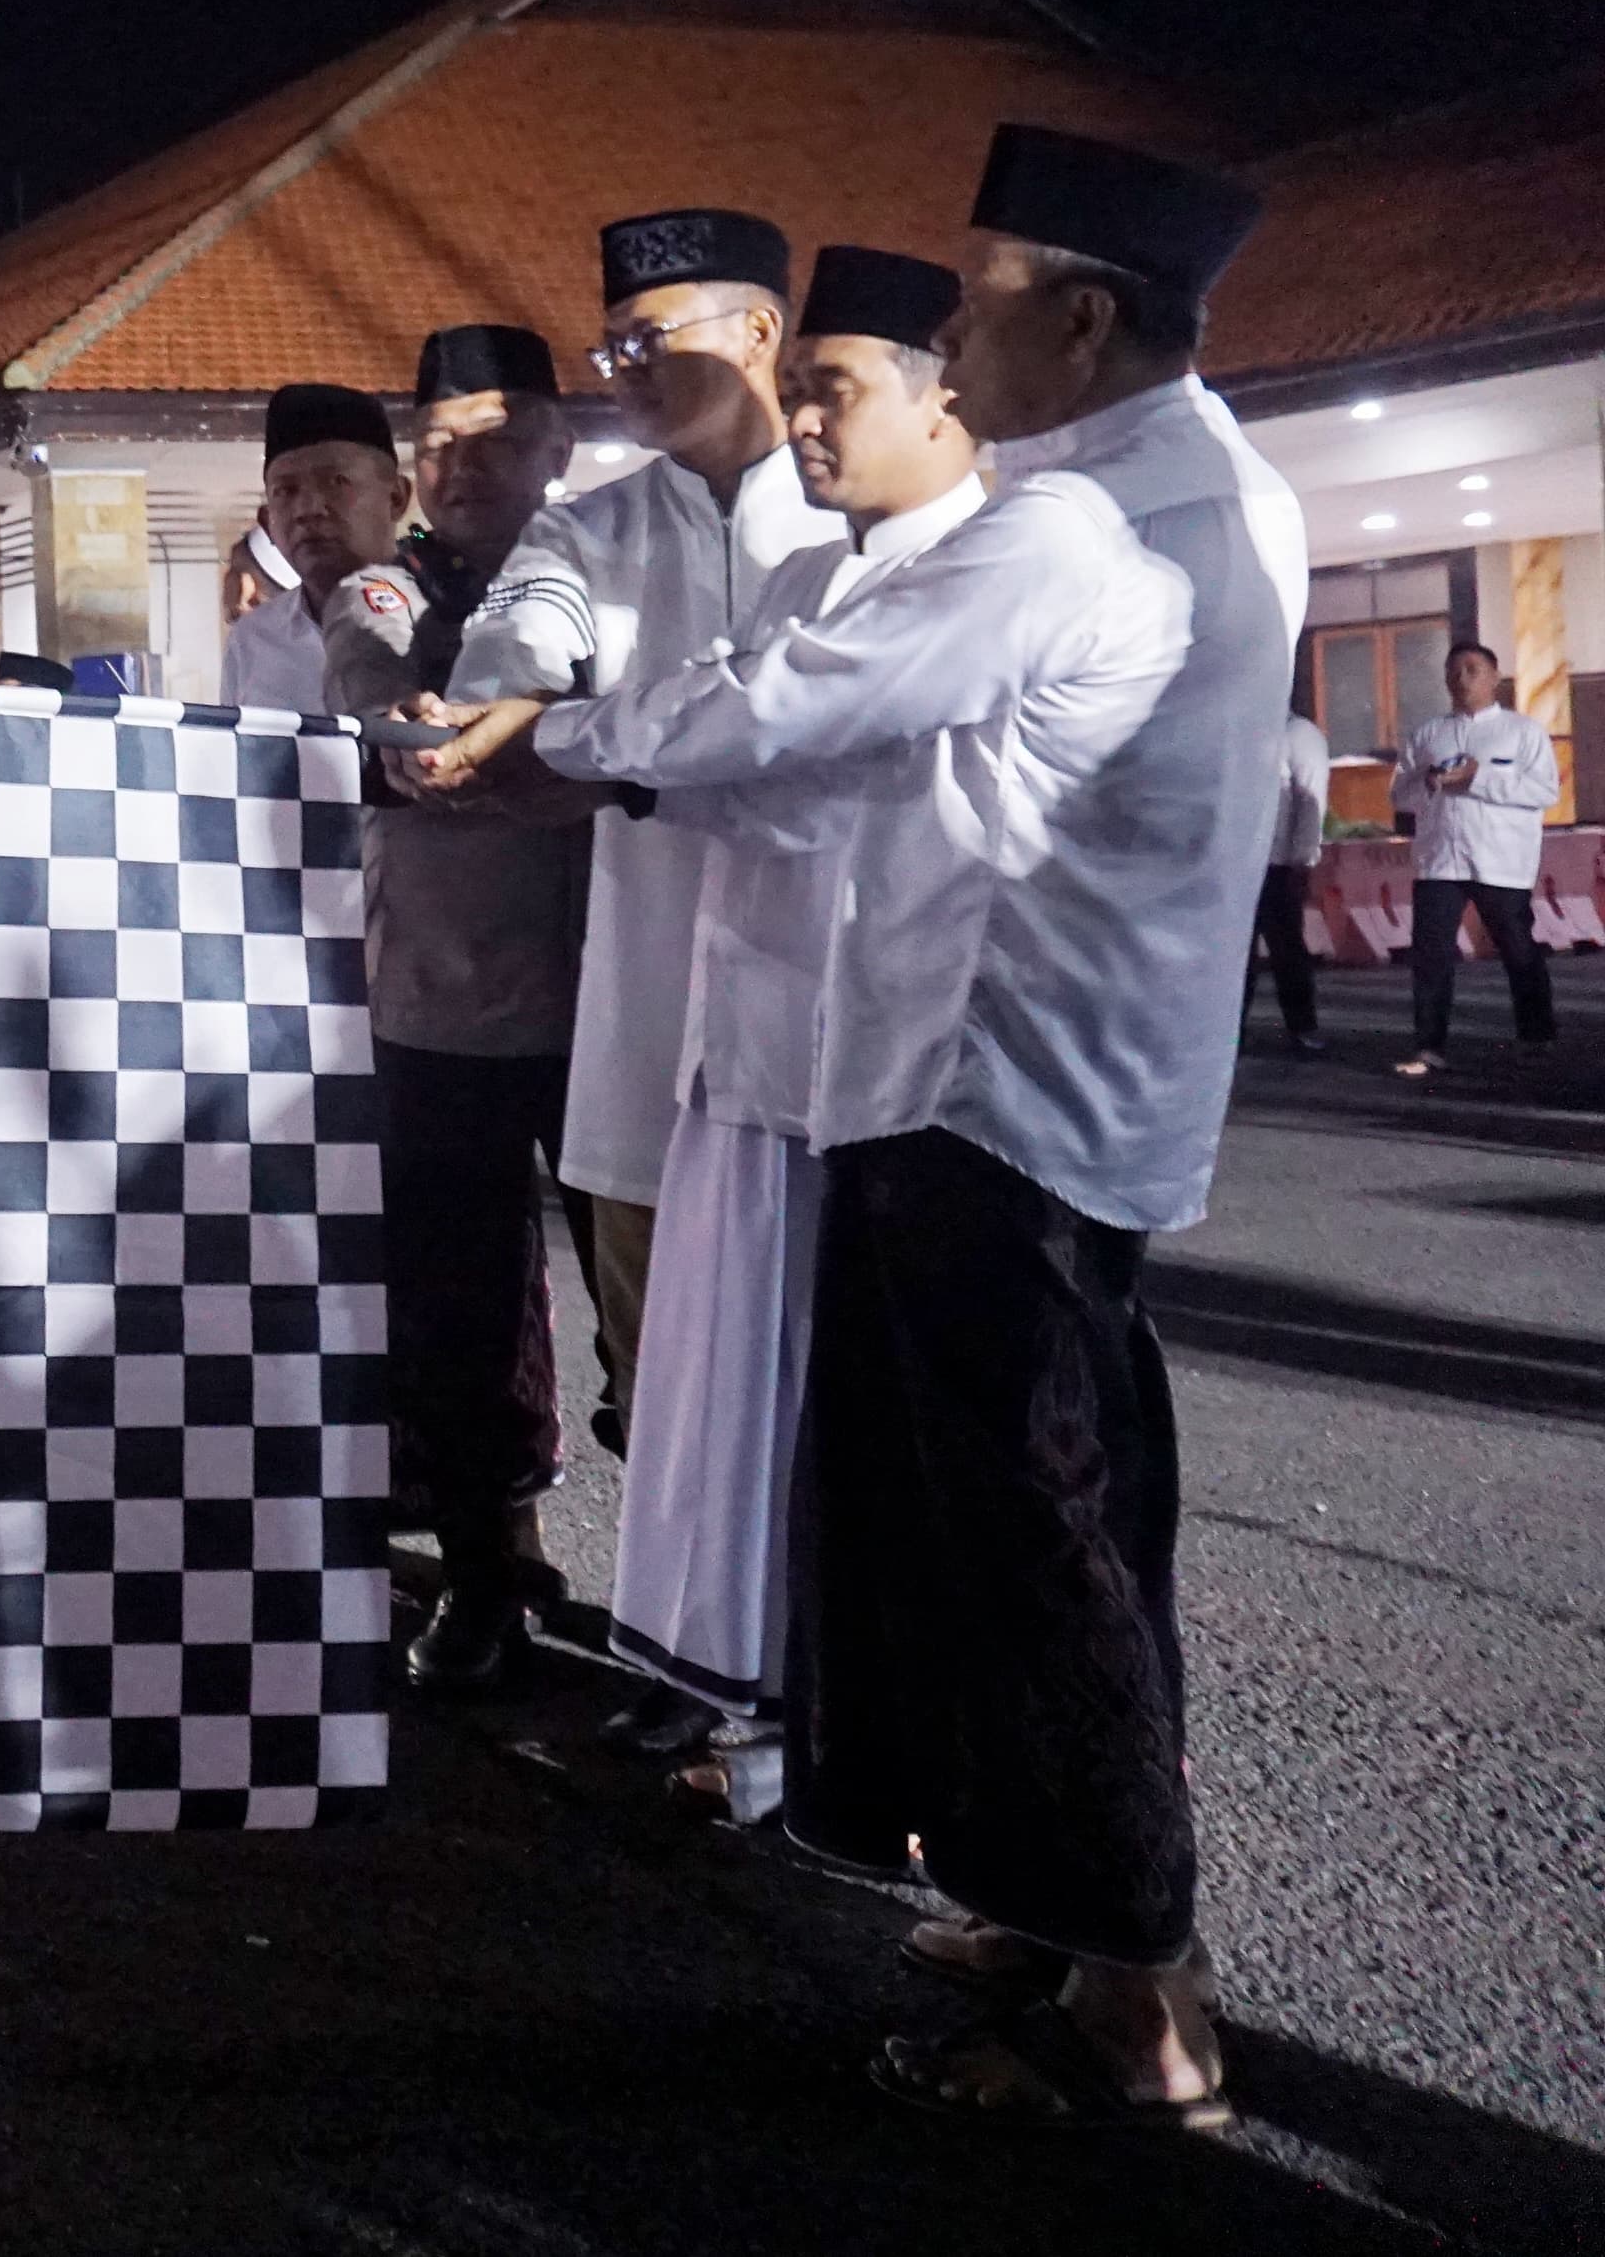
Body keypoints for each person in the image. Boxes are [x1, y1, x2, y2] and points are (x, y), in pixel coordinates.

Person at [422, 124, 1295, 2130]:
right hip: (1022, 1087)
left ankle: (1136, 2002)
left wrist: (552, 752)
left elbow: (793, 705)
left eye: (973, 293)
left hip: (991, 1094)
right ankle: (1047, 1910)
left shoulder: (1073, 523)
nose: (936, 319)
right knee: (1004, 1532)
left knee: (1034, 1547)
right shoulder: (1204, 484)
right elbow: (862, 752)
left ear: (1077, 319)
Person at [601, 246, 979, 1816]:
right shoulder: (827, 572)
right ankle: (753, 1721)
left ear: (944, 397)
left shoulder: (985, 566)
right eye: (803, 389)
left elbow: (749, 733)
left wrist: (555, 740)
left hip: (887, 1074)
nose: (806, 420)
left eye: (836, 388)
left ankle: (860, 1745)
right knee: (734, 1412)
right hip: (748, 1046)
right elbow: (721, 741)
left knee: (867, 1432)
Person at [435, 210, 843, 1473]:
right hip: (644, 1036)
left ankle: (821, 1672)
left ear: (758, 332)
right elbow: (503, 675)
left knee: (842, 1410)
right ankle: (679, 1666)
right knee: (665, 1405)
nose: (626, 374)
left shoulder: (858, 526)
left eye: (646, 341)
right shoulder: (586, 534)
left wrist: (591, 747)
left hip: (840, 1040)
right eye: (609, 352)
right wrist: (509, 723)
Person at [317, 327, 588, 1693]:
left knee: (670, 1330)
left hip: (623, 1022)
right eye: (435, 445)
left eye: (491, 439)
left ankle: (698, 1618)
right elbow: (378, 708)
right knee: (457, 1321)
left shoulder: (618, 575)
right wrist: (454, 738)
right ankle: (487, 1575)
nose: (459, 466)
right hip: (435, 1019)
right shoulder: (376, 591)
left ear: (558, 445)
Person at [1391, 641, 1559, 1076]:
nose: (1462, 679)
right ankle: (1429, 1046)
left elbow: (1545, 792)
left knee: (1517, 949)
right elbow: (1400, 795)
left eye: (1472, 670)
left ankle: (1536, 1035)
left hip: (1500, 860)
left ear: (1494, 677)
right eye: (1454, 671)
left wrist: (1479, 778)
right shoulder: (1428, 734)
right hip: (1440, 860)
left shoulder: (1523, 732)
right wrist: (1429, 783)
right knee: (1430, 954)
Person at [222, 386, 411, 715]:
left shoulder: (447, 623)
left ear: (396, 497)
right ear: (268, 521)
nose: (308, 509)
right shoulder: (252, 640)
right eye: (286, 490)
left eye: (337, 481)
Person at [1254, 709, 1331, 1053]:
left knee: (1287, 949)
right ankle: (1228, 1033)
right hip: (1239, 863)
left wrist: (1303, 858)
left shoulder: (1299, 733)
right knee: (1234, 955)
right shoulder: (1244, 725)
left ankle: (1303, 1026)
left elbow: (1311, 798)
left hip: (1279, 864)